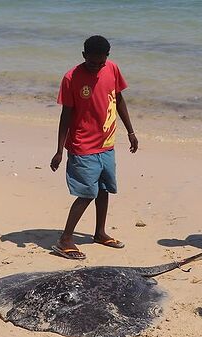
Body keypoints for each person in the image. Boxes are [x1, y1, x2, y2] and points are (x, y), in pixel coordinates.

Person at [50, 35, 138, 260]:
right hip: (82, 145)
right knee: (87, 193)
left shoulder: (113, 69)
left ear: (107, 58)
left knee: (104, 189)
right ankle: (65, 240)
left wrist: (130, 131)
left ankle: (99, 233)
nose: (97, 66)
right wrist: (60, 150)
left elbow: (118, 99)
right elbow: (66, 115)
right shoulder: (71, 78)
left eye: (101, 62)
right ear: (83, 56)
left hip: (107, 143)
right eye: (92, 62)